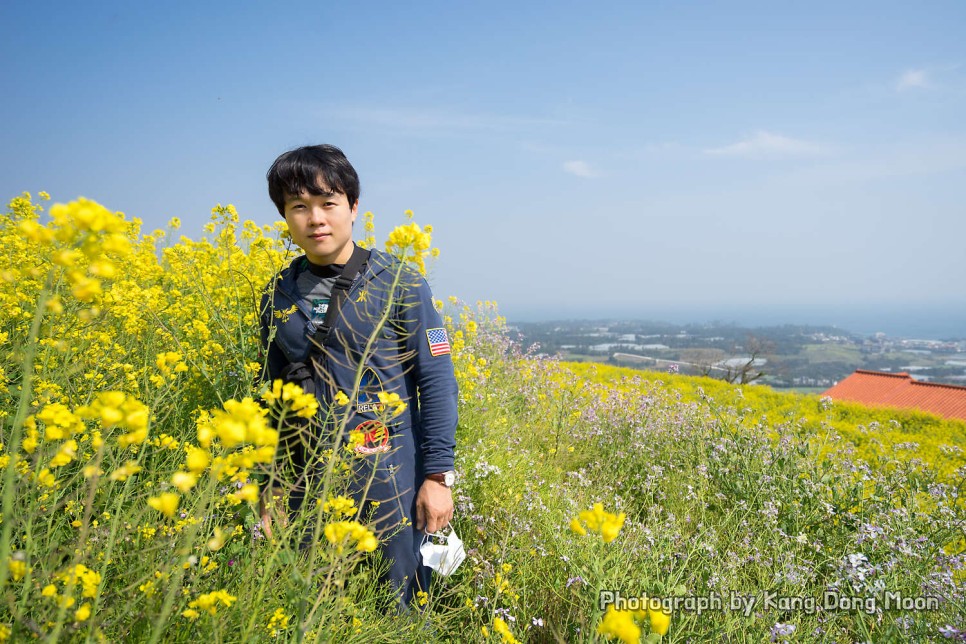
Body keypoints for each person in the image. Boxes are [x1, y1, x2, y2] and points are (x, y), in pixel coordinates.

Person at [258, 144, 458, 609]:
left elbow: (437, 381)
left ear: (353, 207)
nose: (316, 219)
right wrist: (268, 481)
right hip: (307, 476)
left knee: (398, 606)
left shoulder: (400, 282)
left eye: (328, 203)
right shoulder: (277, 293)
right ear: (285, 218)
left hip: (389, 475)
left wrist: (437, 476)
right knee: (317, 608)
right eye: (298, 207)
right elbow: (272, 393)